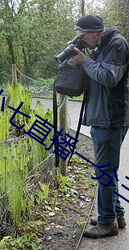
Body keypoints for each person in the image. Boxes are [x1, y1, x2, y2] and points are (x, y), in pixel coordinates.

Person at [71, 15, 129, 238]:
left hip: (111, 118)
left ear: (95, 32)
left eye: (83, 37)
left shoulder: (117, 44)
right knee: (107, 170)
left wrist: (84, 61)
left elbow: (108, 77)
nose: (82, 41)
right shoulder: (101, 46)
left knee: (104, 171)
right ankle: (116, 213)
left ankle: (107, 223)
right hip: (102, 117)